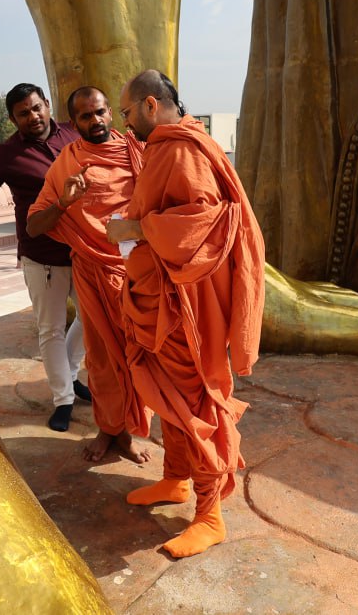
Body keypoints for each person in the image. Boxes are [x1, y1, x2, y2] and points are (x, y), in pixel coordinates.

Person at [106, 70, 265, 559]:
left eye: (128, 112)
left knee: (195, 402)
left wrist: (134, 226)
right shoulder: (168, 146)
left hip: (185, 306)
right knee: (168, 397)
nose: (125, 123)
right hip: (162, 296)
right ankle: (175, 479)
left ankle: (210, 514)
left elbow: (206, 221)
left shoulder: (182, 148)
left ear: (151, 105)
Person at [26, 86, 151, 465]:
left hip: (138, 272)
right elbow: (34, 225)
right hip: (94, 272)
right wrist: (65, 202)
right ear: (74, 121)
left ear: (110, 112)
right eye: (85, 116)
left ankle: (127, 433)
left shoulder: (139, 151)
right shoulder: (68, 162)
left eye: (99, 113)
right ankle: (109, 429)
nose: (94, 121)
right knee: (100, 359)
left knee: (136, 356)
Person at [0, 83, 90, 432]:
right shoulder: (9, 154)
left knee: (93, 320)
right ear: (13, 119)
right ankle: (63, 398)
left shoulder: (74, 135)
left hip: (84, 250)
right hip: (43, 255)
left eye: (36, 108)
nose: (32, 117)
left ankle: (70, 375)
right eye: (23, 114)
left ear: (46, 104)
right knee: (51, 330)